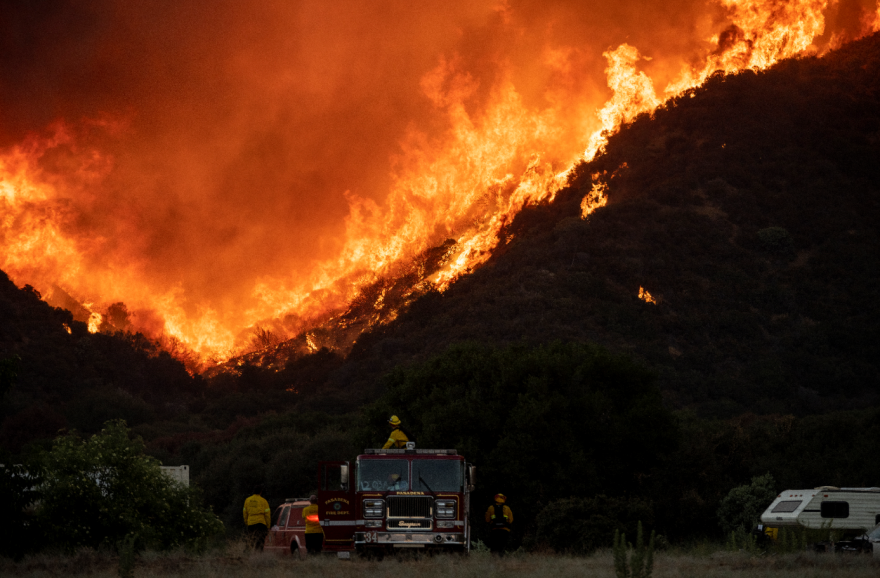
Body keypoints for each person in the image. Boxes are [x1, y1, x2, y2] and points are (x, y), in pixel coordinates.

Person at [242, 485, 271, 551]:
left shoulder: (247, 500)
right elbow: (267, 515)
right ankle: (259, 555)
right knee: (260, 541)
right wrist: (268, 526)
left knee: (251, 540)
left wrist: (246, 522)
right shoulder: (264, 501)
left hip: (251, 523)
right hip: (261, 524)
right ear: (260, 492)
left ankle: (250, 554)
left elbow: (245, 513)